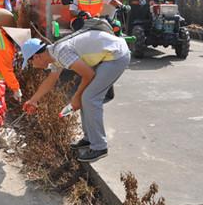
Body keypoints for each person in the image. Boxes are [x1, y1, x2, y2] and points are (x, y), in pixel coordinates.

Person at [21, 30, 131, 163]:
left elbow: (88, 75)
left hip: (117, 56)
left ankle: (99, 147)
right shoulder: (54, 54)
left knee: (89, 98)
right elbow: (51, 80)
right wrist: (33, 100)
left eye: (30, 62)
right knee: (86, 97)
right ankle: (89, 139)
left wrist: (76, 98)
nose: (32, 66)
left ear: (37, 57)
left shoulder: (61, 53)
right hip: (108, 56)